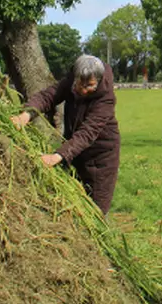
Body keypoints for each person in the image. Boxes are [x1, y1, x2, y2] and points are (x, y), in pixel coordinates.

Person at [11, 54, 121, 215]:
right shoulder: (71, 81)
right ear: (74, 77)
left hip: (100, 158)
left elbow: (87, 133)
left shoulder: (106, 100)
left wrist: (56, 157)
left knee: (95, 211)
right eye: (79, 84)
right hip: (75, 153)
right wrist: (26, 115)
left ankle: (93, 240)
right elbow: (48, 96)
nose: (83, 90)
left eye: (89, 86)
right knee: (73, 206)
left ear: (97, 81)